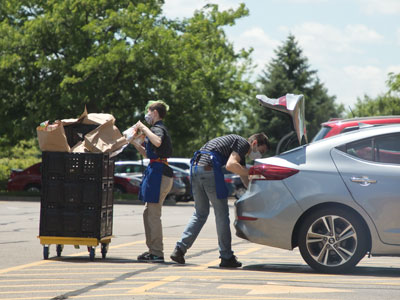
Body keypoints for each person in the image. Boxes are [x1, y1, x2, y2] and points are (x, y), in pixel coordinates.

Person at [170, 133, 269, 267]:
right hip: (209, 170)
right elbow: (230, 165)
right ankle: (226, 256)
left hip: (195, 169)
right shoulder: (243, 144)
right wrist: (253, 171)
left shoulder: (239, 150)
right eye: (261, 151)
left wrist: (254, 191)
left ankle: (179, 249)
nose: (260, 155)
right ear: (255, 143)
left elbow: (243, 177)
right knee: (221, 215)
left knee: (200, 214)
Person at [131, 100, 173, 263]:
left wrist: (144, 128)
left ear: (155, 112)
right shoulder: (155, 130)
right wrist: (134, 142)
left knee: (153, 214)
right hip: (155, 172)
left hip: (160, 175)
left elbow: (157, 141)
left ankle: (157, 252)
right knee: (148, 213)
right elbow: (148, 154)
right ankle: (152, 250)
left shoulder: (158, 128)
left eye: (149, 111)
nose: (147, 115)